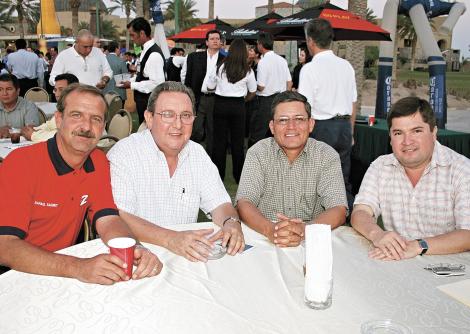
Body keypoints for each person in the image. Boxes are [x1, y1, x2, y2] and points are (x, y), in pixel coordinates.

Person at [0, 84, 162, 281]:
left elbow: (108, 219)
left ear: (103, 127)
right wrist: (78, 267)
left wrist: (134, 247)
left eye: (96, 119)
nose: (86, 127)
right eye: (76, 115)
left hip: (63, 272)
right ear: (59, 120)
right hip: (16, 275)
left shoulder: (98, 161)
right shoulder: (21, 163)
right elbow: (5, 246)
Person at [107, 81, 245, 262]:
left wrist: (231, 223)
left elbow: (220, 204)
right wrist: (171, 238)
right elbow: (118, 217)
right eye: (167, 115)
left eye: (186, 115)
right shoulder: (125, 153)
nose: (178, 124)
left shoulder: (197, 154)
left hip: (185, 255)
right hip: (137, 256)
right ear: (149, 118)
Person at [351, 97, 470, 260]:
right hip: (397, 261)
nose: (407, 141)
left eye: (416, 131)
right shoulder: (380, 166)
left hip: (451, 267)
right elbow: (361, 212)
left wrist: (418, 245)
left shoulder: (462, 169)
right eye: (399, 133)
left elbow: (468, 233)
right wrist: (377, 234)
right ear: (390, 138)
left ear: (434, 133)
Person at [236, 91, 347, 247]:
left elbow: (338, 209)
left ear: (311, 124)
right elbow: (244, 202)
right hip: (264, 237)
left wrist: (305, 230)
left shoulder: (327, 156)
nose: (291, 127)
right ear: (272, 127)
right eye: (282, 120)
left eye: (299, 119)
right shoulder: (258, 153)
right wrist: (270, 230)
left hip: (312, 241)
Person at [298, 18, 357, 212]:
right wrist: (352, 131)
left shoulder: (309, 69)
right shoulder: (346, 66)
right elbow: (353, 102)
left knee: (317, 178)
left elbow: (304, 107)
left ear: (311, 41)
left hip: (321, 128)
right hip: (344, 127)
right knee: (342, 178)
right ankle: (345, 217)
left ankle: (321, 219)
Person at [206, 39, 257, 183]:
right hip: (238, 106)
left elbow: (210, 87)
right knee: (238, 143)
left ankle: (218, 176)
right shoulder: (247, 70)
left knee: (219, 143)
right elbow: (253, 91)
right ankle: (238, 176)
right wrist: (244, 99)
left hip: (220, 104)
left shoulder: (220, 67)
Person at [182, 30, 225, 157]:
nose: (215, 41)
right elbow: (187, 77)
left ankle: (210, 159)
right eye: (212, 39)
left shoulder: (225, 60)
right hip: (197, 97)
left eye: (218, 38)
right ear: (206, 42)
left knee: (212, 131)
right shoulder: (194, 57)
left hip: (216, 99)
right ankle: (191, 155)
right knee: (195, 129)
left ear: (221, 42)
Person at [249, 32, 292, 148]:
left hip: (265, 102)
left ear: (261, 45)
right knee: (278, 133)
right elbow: (289, 82)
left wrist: (251, 83)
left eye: (257, 43)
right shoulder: (282, 60)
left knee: (258, 135)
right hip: (281, 99)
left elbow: (261, 86)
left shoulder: (263, 62)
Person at [120, 17, 166, 124]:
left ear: (141, 33)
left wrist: (131, 85)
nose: (132, 38)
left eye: (132, 35)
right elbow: (143, 75)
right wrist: (131, 81)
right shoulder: (145, 50)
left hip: (150, 103)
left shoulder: (154, 54)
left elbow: (157, 83)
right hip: (143, 103)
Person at [22, 73, 79, 142]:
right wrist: (31, 129)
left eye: (61, 89)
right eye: (55, 90)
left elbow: (65, 136)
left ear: (74, 91)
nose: (57, 94)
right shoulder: (64, 108)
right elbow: (50, 125)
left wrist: (33, 135)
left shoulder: (79, 110)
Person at [0, 73, 40, 138]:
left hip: (24, 146)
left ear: (18, 91)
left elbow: (31, 130)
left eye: (9, 89)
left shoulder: (29, 106)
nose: (4, 93)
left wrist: (10, 131)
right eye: (0, 89)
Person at [103, 41, 128, 106]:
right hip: (118, 94)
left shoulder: (102, 60)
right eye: (119, 49)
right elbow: (126, 79)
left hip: (104, 94)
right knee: (118, 115)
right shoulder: (121, 61)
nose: (120, 51)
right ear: (116, 49)